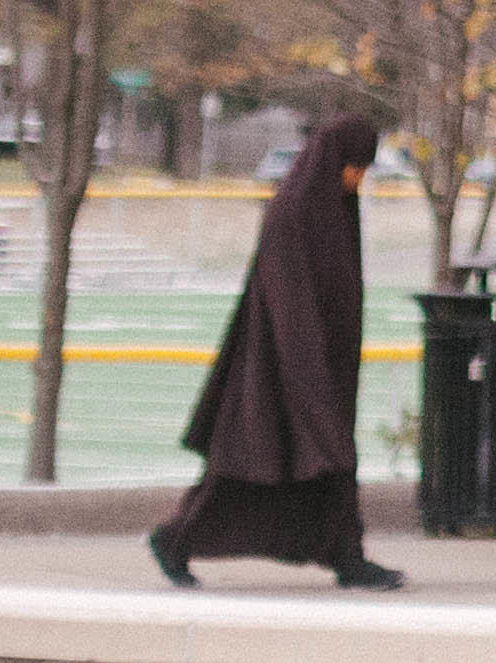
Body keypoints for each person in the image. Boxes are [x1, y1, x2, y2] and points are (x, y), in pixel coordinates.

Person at [148, 114, 400, 591]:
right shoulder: (295, 213)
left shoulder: (330, 207)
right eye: (356, 167)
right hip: (282, 370)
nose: (360, 178)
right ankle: (176, 539)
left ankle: (347, 556)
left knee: (322, 464)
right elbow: (289, 304)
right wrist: (310, 378)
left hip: (315, 367)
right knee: (252, 466)